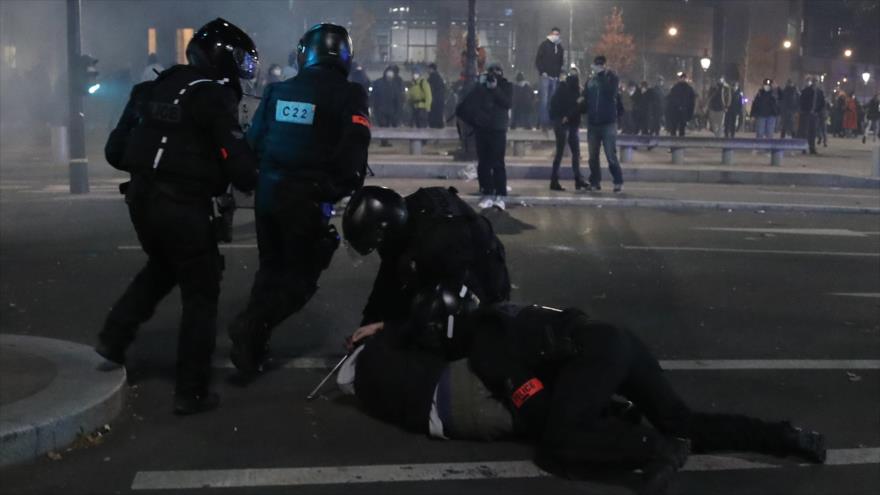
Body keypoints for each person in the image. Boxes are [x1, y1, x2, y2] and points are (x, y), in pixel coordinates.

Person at [344, 290, 827, 495]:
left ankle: (655, 450)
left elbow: (534, 406)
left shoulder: (486, 350)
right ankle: (785, 436)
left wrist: (613, 425)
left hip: (593, 359)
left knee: (557, 444)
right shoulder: (495, 315)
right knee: (683, 416)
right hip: (613, 340)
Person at [97, 18, 259, 414]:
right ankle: (191, 389)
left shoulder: (149, 88)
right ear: (222, 56)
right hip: (183, 207)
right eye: (238, 59)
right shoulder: (212, 99)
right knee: (202, 293)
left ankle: (114, 336)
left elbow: (115, 152)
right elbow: (242, 170)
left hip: (140, 201)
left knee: (163, 268)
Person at [227, 23, 371, 377]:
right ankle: (251, 326)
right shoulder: (349, 93)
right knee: (302, 278)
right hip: (307, 197)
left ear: (306, 52)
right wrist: (337, 189)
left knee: (270, 270)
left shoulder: (279, 91)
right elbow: (354, 147)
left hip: (269, 194)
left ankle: (251, 352)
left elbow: (255, 141)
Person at [342, 185, 510, 331]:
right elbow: (387, 278)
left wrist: (387, 329)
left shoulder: (434, 245)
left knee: (435, 330)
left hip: (482, 281)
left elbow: (438, 308)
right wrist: (368, 323)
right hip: (458, 258)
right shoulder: (401, 216)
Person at [456, 63, 512, 210]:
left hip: (498, 130)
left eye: (497, 72)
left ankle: (501, 194)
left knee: (498, 163)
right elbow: (469, 104)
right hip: (482, 129)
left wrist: (495, 89)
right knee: (484, 162)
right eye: (491, 72)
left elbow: (507, 103)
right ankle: (487, 192)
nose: (494, 75)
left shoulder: (505, 86)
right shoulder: (480, 87)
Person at [582, 56, 624, 192]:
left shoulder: (612, 78)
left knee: (610, 155)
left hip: (608, 123)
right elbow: (584, 98)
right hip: (593, 123)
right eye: (596, 64)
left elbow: (610, 91)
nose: (598, 67)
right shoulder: (590, 81)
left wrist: (604, 75)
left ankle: (618, 181)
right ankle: (595, 181)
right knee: (592, 156)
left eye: (601, 64)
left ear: (605, 65)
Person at [548, 67, 586, 191]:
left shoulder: (561, 89)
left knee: (560, 153)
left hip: (562, 123)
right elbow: (578, 108)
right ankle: (578, 179)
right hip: (569, 124)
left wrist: (557, 118)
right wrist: (579, 103)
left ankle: (555, 181)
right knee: (574, 153)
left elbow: (553, 105)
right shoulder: (575, 91)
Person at [535, 27, 565, 130]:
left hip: (554, 77)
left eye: (557, 34)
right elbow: (538, 60)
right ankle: (544, 122)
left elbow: (561, 62)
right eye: (554, 34)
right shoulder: (544, 45)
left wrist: (559, 74)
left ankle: (551, 122)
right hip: (545, 76)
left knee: (552, 101)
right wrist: (542, 71)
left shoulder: (560, 47)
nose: (555, 36)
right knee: (544, 100)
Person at [371, 67, 401, 146]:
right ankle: (384, 142)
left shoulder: (394, 84)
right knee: (383, 125)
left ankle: (384, 141)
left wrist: (397, 110)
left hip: (389, 110)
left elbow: (397, 98)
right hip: (381, 109)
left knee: (386, 126)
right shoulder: (379, 83)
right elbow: (373, 96)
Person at [798, 76, 824, 154]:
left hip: (815, 114)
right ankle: (804, 147)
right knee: (805, 131)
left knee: (813, 132)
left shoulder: (819, 92)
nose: (815, 82)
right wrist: (804, 110)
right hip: (806, 113)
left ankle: (812, 147)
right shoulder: (806, 91)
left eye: (817, 81)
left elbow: (822, 103)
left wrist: (818, 111)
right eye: (814, 81)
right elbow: (802, 101)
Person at [426, 63, 446, 129]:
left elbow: (429, 90)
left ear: (431, 69)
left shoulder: (431, 78)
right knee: (439, 117)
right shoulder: (440, 78)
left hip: (434, 101)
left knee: (433, 120)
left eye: (428, 69)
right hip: (440, 100)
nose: (427, 70)